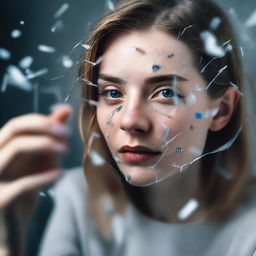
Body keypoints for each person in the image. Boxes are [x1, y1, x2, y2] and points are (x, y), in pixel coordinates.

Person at [0, 0, 256, 255]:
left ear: (221, 110)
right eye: (112, 93)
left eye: (166, 92)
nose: (130, 121)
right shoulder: (78, 197)